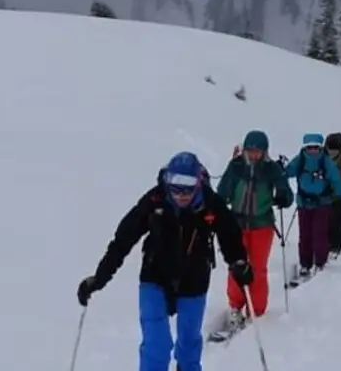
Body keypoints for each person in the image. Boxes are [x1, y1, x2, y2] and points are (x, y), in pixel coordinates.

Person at [76, 152, 253, 371]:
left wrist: (238, 263)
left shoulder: (210, 203)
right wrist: (100, 277)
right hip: (155, 276)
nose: (181, 193)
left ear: (198, 182)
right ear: (166, 179)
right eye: (175, 184)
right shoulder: (155, 200)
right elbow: (124, 238)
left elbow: (230, 236)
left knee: (189, 346)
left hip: (194, 278)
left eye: (188, 185)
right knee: (156, 345)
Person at [216, 131, 292, 322]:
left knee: (257, 268)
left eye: (258, 151)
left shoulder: (271, 169)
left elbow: (285, 190)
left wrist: (283, 196)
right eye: (250, 150)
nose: (254, 155)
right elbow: (223, 189)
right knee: (236, 265)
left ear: (265, 152)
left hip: (262, 224)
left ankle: (256, 309)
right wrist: (220, 202)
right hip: (237, 224)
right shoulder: (236, 166)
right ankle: (235, 305)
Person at [283, 133, 341, 280]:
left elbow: (335, 178)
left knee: (319, 234)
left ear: (320, 147)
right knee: (305, 235)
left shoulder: (326, 161)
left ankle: (320, 262)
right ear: (305, 147)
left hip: (322, 203)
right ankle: (305, 264)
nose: (313, 150)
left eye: (315, 147)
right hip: (304, 203)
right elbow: (288, 172)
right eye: (310, 147)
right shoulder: (300, 159)